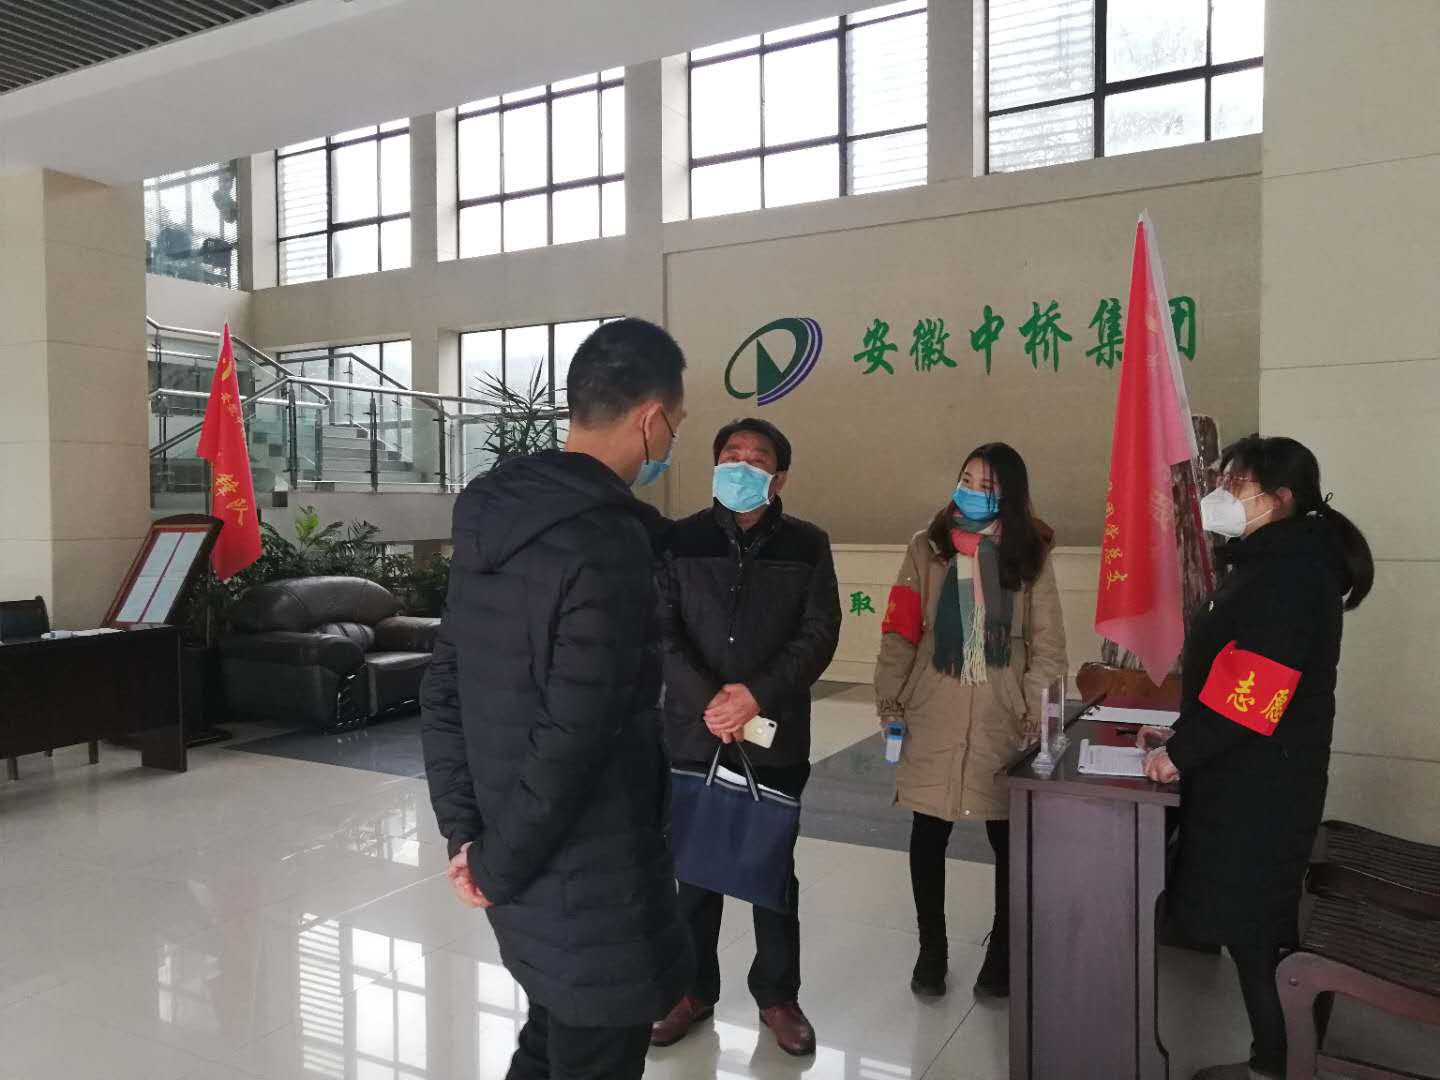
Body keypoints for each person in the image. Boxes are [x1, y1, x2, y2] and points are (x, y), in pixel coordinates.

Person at [420, 318, 694, 1080]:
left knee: (548, 1041)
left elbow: (442, 688)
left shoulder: (492, 516)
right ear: (651, 419)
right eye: (675, 425)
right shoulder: (607, 544)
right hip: (594, 887)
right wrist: (492, 864)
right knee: (585, 1049)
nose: (670, 442)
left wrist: (466, 839)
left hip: (524, 880)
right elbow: (574, 739)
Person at [1139, 435, 1373, 1080]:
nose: (1221, 494)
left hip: (1263, 787)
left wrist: (1182, 753)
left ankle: (1275, 1064)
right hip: (1251, 774)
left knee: (1255, 928)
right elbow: (1232, 674)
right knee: (1254, 924)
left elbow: (1257, 689)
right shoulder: (1269, 560)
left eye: (1235, 484)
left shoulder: (1292, 572)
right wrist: (1181, 735)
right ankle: (1276, 1057)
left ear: (1281, 498)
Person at [652, 417, 841, 1057]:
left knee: (771, 865)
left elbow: (819, 632)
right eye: (730, 454)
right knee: (693, 871)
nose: (741, 465)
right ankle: (691, 990)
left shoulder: (808, 545)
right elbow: (661, 629)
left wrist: (754, 694)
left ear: (778, 477)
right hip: (693, 729)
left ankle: (778, 996)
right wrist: (710, 699)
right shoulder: (680, 540)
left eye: (756, 458)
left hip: (771, 732)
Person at [874, 442, 1067, 999]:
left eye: (988, 486)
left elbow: (1048, 645)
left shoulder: (1031, 554)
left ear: (1010, 495)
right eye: (967, 479)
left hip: (1002, 715)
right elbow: (900, 630)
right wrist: (891, 700)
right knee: (928, 830)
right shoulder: (927, 546)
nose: (973, 492)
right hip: (933, 706)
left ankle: (1002, 953)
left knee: (1007, 836)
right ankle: (931, 951)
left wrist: (1035, 712)